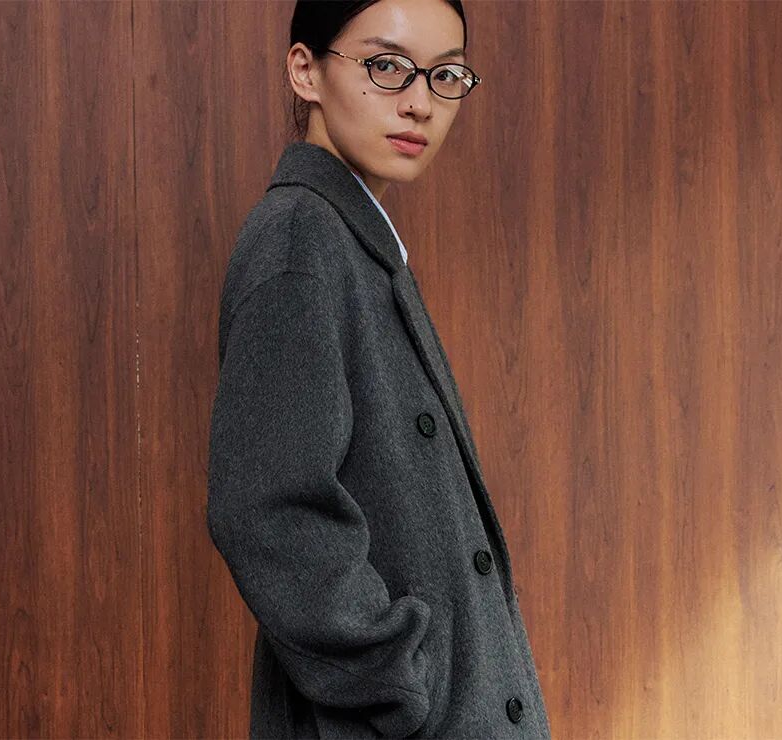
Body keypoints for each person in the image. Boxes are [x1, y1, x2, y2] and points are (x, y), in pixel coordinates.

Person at [206, 1, 552, 738]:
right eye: (387, 66)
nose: (420, 103)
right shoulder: (300, 244)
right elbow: (269, 512)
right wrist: (397, 687)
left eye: (445, 75)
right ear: (306, 71)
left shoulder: (353, 244)